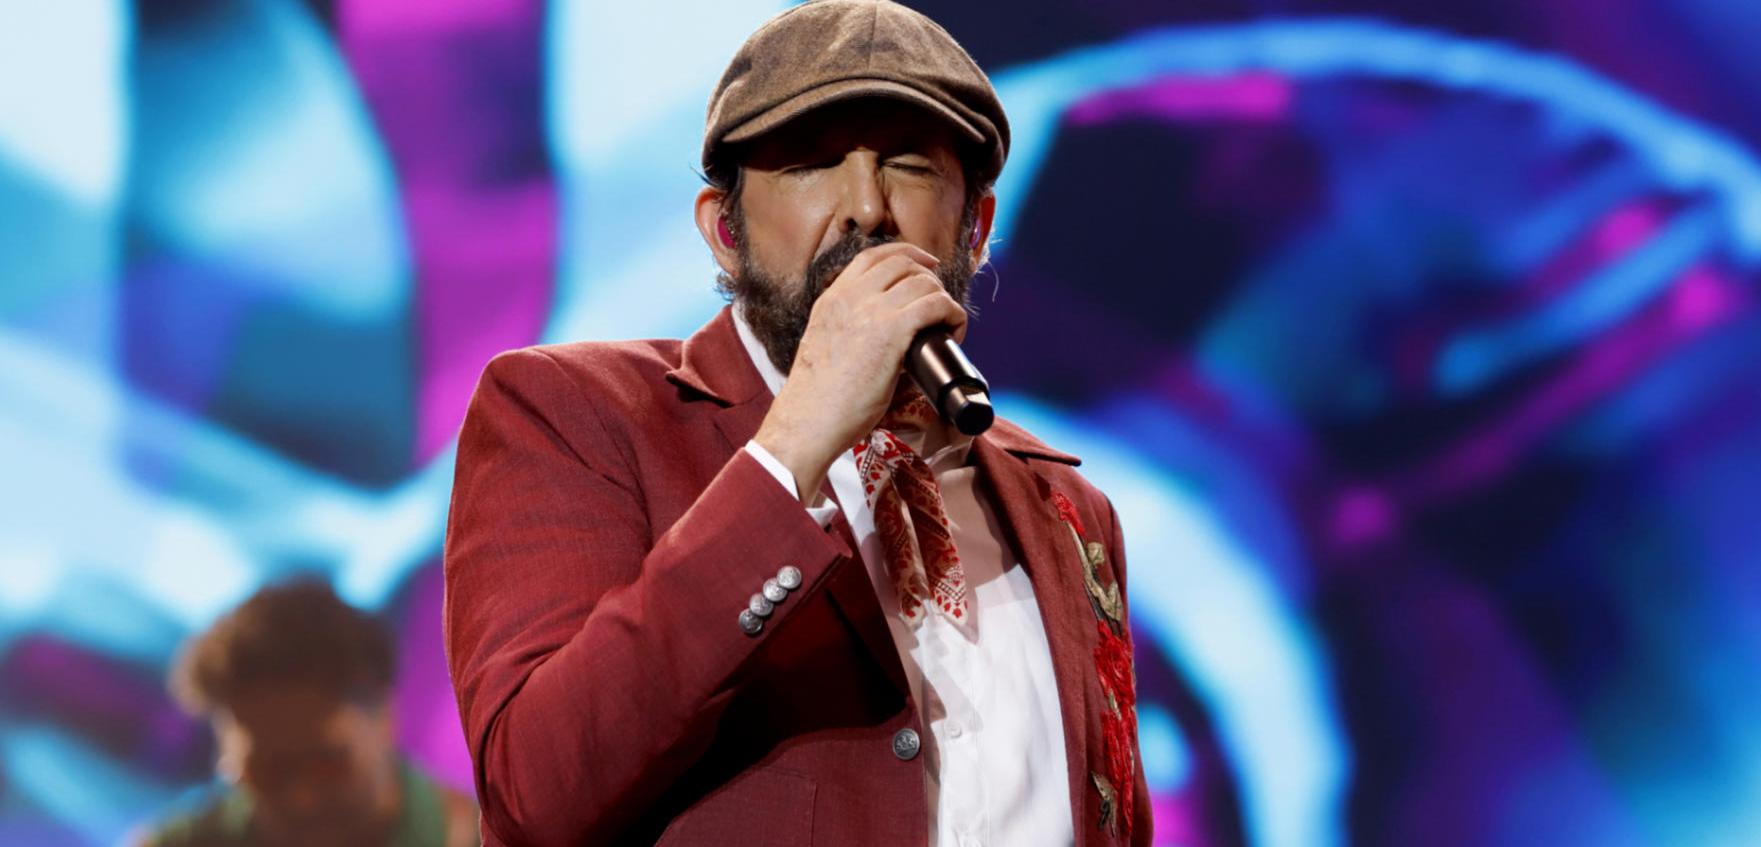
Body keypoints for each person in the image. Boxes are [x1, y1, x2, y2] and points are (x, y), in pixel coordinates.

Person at [442, 1, 1150, 844]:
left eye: (909, 165)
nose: (865, 209)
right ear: (725, 231)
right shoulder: (573, 414)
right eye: (813, 163)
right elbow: (537, 794)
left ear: (978, 228)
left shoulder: (1065, 506)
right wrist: (796, 439)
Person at [131, 578, 478, 847]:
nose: (301, 800)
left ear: (384, 714)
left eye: (326, 764)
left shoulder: (489, 836)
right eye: (265, 772)